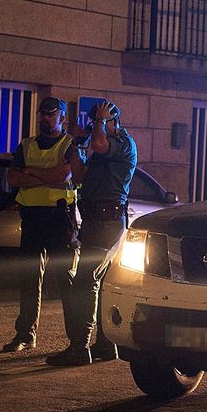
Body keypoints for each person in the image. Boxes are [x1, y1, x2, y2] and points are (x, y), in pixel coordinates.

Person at [47, 99, 138, 367]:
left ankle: (79, 347)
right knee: (101, 283)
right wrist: (75, 145)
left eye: (101, 121)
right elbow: (78, 176)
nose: (96, 126)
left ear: (113, 122)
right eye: (95, 121)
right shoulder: (101, 150)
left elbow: (99, 143)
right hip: (94, 222)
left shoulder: (123, 143)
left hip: (108, 222)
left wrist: (98, 123)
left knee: (86, 280)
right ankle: (105, 344)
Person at [2, 97, 80, 353]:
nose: (45, 118)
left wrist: (31, 173)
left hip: (60, 219)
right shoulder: (26, 145)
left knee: (66, 279)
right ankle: (25, 334)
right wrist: (44, 176)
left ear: (62, 118)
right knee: (29, 278)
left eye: (51, 114)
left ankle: (76, 340)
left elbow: (63, 175)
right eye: (42, 114)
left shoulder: (70, 144)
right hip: (33, 219)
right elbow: (13, 177)